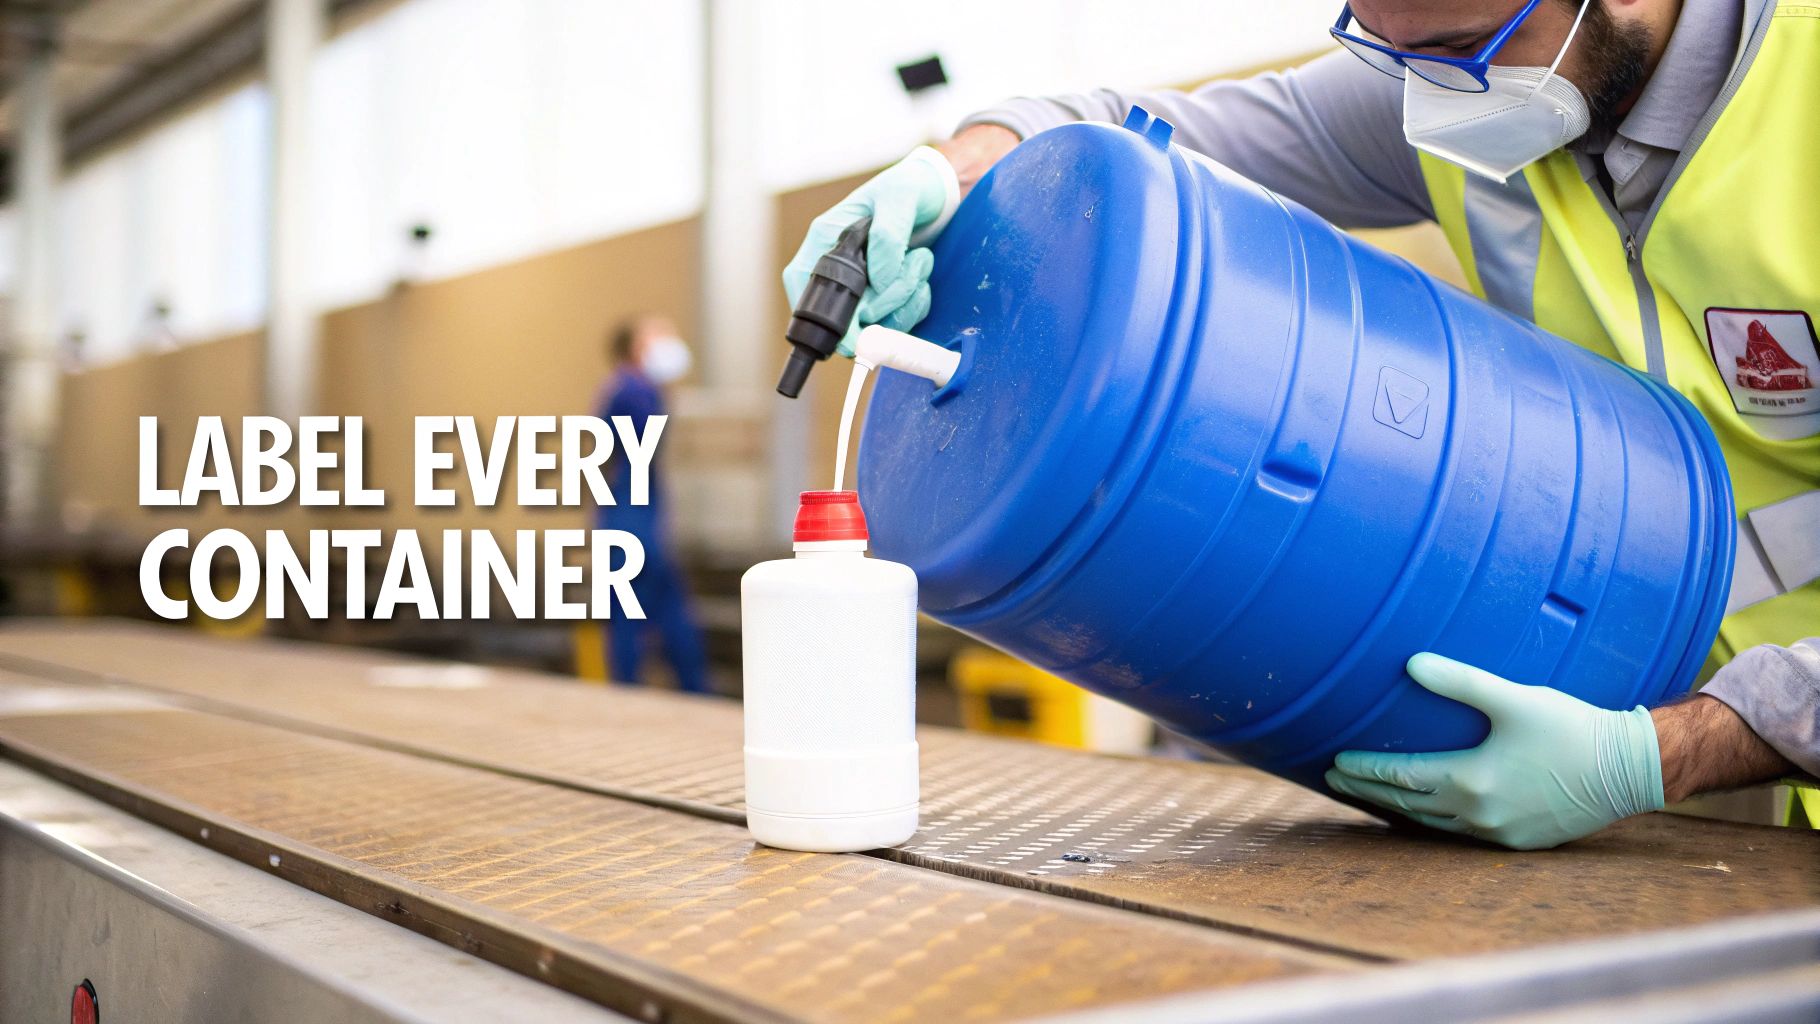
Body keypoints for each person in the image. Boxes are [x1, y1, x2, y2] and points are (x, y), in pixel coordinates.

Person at [784, 0, 1817, 848]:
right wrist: (950, 173)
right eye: (1389, 50)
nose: (1427, 98)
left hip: (1711, 743)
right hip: (1654, 744)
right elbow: (1100, 126)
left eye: (1461, 52)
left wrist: (1666, 750)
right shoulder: (1463, 83)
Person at [596, 314, 711, 694]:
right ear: (636, 348)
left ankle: (689, 691)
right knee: (637, 620)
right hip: (632, 523)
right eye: (660, 335)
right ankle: (655, 693)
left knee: (661, 614)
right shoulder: (633, 390)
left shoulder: (629, 389)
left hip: (635, 520)